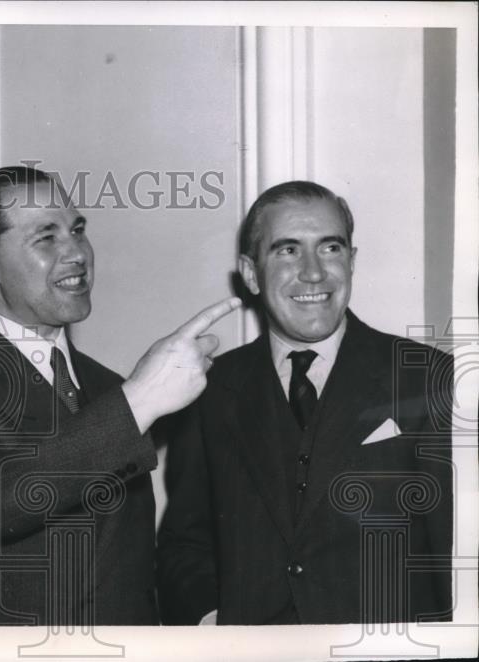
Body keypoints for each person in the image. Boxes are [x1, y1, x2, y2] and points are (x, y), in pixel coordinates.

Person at [0, 166, 240, 625]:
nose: (77, 253)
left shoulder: (111, 389)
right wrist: (142, 399)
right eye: (46, 237)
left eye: (78, 230)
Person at [156, 180, 453, 625]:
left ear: (351, 261)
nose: (313, 273)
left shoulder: (430, 379)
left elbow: (454, 553)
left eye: (330, 248)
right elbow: (185, 542)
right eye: (288, 251)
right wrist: (209, 622)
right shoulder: (208, 389)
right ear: (252, 273)